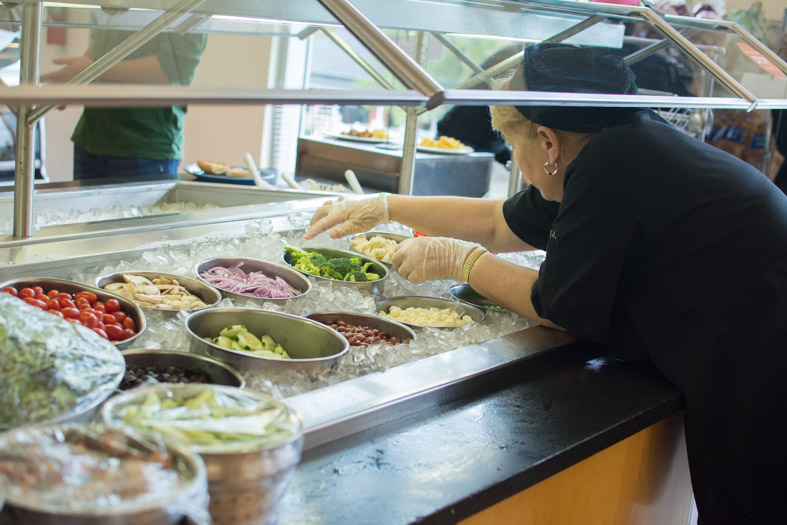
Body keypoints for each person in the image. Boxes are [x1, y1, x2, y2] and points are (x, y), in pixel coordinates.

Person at [304, 44, 787, 525]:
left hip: (762, 346)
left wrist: (462, 261)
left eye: (514, 146)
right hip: (748, 323)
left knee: (751, 507)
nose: (516, 160)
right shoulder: (607, 142)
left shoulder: (606, 169)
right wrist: (389, 207)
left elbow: (557, 306)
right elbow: (497, 222)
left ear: (548, 142)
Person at [41, 27, 207, 180]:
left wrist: (92, 69)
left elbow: (176, 66)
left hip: (144, 143)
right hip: (92, 136)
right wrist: (76, 77)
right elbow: (100, 44)